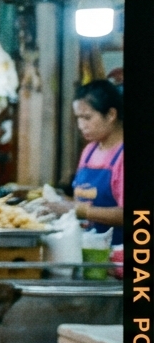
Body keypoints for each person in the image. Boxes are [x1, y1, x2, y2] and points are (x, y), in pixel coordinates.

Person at [68, 80, 124, 243]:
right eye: (78, 118)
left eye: (87, 118)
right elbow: (81, 200)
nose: (81, 125)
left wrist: (78, 210)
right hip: (89, 249)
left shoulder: (122, 156)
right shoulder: (89, 151)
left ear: (111, 115)